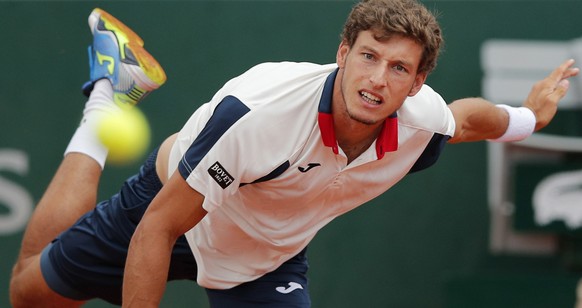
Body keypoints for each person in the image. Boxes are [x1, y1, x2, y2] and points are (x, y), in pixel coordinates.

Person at [9, 1, 579, 307]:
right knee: (29, 294)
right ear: (343, 53)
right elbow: (157, 229)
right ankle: (104, 104)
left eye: (399, 68)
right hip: (173, 212)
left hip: (264, 257)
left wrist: (530, 117)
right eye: (369, 57)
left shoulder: (420, 121)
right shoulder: (258, 113)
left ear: (417, 81)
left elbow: (470, 117)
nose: (377, 80)